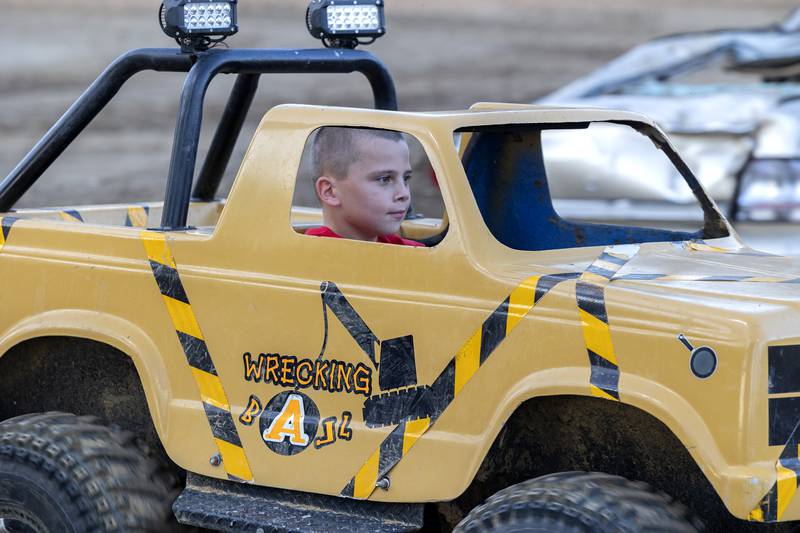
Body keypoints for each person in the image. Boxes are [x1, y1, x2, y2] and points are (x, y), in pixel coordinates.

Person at [305, 127, 424, 246]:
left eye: (406, 178)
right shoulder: (304, 258)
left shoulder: (416, 254)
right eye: (384, 179)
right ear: (330, 191)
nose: (404, 194)